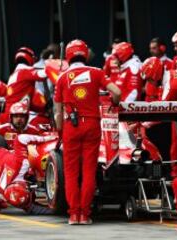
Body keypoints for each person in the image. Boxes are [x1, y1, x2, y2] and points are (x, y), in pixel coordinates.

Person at [54, 39, 121, 225]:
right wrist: (114, 103)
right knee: (89, 170)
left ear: (68, 56)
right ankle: (85, 214)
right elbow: (116, 91)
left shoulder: (62, 78)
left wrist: (60, 132)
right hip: (92, 124)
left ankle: (74, 214)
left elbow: (57, 112)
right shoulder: (97, 72)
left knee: (71, 172)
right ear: (85, 54)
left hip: (70, 126)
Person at [141, 57, 177, 177]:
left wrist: (144, 123)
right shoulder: (169, 77)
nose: (149, 83)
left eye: (149, 79)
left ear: (155, 75)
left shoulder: (170, 85)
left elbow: (162, 112)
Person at [0, 134, 56, 214]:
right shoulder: (14, 195)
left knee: (28, 197)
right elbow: (31, 208)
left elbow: (20, 138)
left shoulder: (20, 165)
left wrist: (45, 139)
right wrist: (55, 211)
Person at [0, 47, 47, 130]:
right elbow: (43, 75)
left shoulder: (15, 74)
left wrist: (43, 108)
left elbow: (22, 99)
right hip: (14, 117)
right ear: (31, 58)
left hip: (7, 116)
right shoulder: (25, 70)